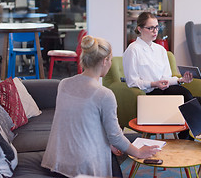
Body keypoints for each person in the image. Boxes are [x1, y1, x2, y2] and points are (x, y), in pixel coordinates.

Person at [41, 35, 159, 178]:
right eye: (110, 59)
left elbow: (79, 122)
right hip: (83, 167)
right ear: (104, 61)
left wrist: (108, 143)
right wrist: (139, 152)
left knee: (113, 156)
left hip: (57, 162)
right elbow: (115, 137)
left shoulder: (63, 84)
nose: (110, 63)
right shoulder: (104, 94)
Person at [122, 12, 201, 113]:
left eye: (157, 27)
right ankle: (187, 127)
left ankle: (187, 127)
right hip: (149, 92)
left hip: (164, 89)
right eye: (150, 28)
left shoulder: (160, 49)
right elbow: (132, 82)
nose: (155, 31)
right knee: (185, 104)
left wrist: (180, 80)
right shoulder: (133, 50)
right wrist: (154, 84)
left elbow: (166, 78)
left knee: (191, 97)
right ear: (140, 29)